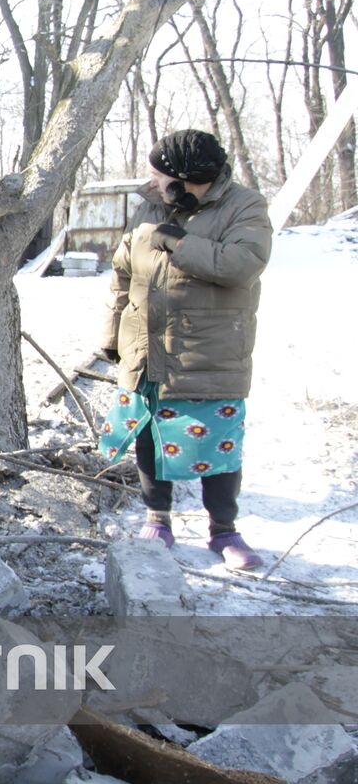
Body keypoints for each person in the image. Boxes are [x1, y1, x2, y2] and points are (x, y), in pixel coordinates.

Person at [98, 129, 272, 570]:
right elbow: (122, 273)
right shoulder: (148, 207)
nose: (152, 182)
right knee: (149, 436)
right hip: (146, 347)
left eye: (159, 175)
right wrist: (112, 330)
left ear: (186, 178)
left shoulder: (244, 206)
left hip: (208, 352)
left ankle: (224, 531)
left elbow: (243, 264)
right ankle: (158, 518)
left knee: (218, 443)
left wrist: (178, 243)